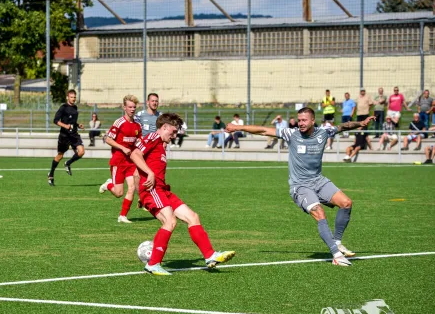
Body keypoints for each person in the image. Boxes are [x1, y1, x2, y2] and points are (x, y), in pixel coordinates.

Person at [226, 107, 376, 267]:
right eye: (299, 120)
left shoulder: (324, 132)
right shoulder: (291, 134)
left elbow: (344, 127)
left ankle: (337, 242)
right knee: (319, 212)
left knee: (346, 203)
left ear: (312, 120)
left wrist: (361, 122)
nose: (301, 123)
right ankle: (336, 255)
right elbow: (263, 130)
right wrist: (238, 127)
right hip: (300, 186)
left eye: (304, 120)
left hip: (318, 181)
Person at [130, 112, 236, 275]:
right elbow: (135, 154)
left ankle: (210, 256)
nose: (174, 136)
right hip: (153, 189)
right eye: (172, 132)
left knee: (193, 217)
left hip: (162, 190)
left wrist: (143, 192)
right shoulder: (153, 137)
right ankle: (153, 264)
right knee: (170, 221)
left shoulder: (161, 146)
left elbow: (140, 173)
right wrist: (149, 175)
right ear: (163, 127)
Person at [99, 95, 142, 224]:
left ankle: (122, 216)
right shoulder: (119, 122)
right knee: (118, 193)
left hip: (130, 162)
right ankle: (108, 184)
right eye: (130, 107)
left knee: (132, 187)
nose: (132, 109)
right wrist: (122, 148)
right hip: (118, 162)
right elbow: (107, 139)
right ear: (124, 107)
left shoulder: (137, 125)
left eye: (134, 107)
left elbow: (138, 141)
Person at [47, 89, 85, 186]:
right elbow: (55, 120)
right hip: (64, 136)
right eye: (71, 97)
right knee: (59, 156)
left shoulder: (75, 108)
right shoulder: (63, 108)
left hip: (74, 134)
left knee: (81, 152)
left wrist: (78, 125)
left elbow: (72, 122)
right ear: (67, 97)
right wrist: (65, 126)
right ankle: (51, 175)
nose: (73, 99)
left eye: (74, 97)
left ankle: (68, 163)